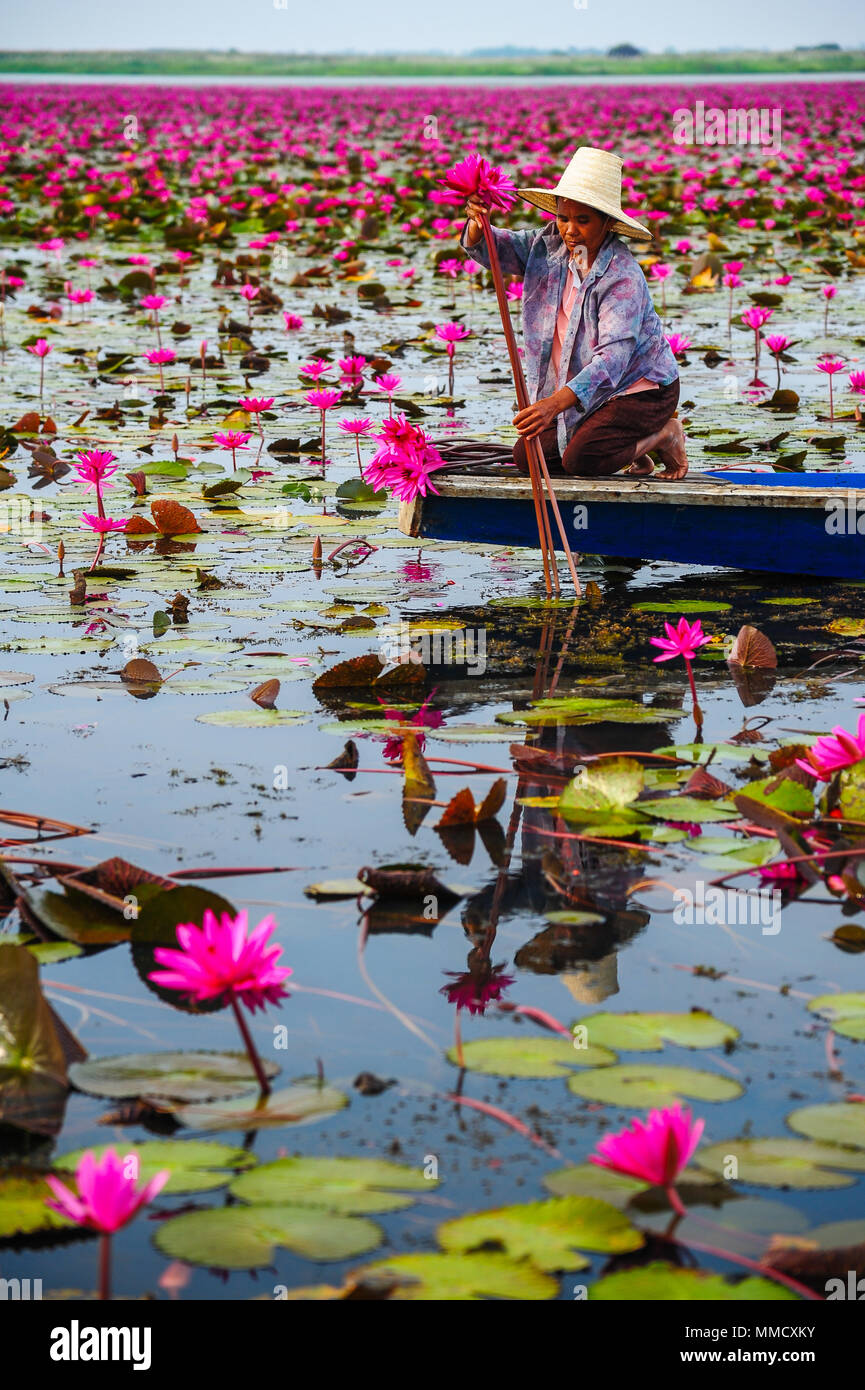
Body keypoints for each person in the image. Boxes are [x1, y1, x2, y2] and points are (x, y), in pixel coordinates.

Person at [460, 145, 688, 480]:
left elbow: (612, 360)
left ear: (607, 222)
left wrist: (552, 405)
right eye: (564, 218)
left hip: (640, 388)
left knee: (583, 459)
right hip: (587, 391)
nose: (570, 231)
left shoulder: (621, 275)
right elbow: (499, 250)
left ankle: (664, 434)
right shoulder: (548, 244)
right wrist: (477, 222)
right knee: (528, 457)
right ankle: (623, 447)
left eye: (583, 221)